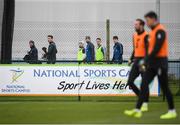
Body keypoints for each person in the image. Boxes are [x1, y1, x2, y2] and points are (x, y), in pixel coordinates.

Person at [124, 11, 177, 119]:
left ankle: (172, 111)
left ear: (153, 19)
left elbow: (156, 49)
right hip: (151, 63)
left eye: (148, 20)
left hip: (160, 63)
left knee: (165, 88)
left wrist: (144, 60)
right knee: (143, 84)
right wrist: (141, 60)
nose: (147, 23)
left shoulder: (160, 31)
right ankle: (138, 109)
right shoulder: (152, 32)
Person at [126, 19, 149, 112]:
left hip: (144, 61)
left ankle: (145, 103)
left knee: (144, 83)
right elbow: (135, 49)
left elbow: (148, 51)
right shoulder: (134, 35)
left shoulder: (146, 36)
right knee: (130, 82)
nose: (134, 26)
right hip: (136, 61)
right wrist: (131, 59)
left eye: (136, 24)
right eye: (134, 24)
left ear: (142, 25)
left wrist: (145, 63)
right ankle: (142, 98)